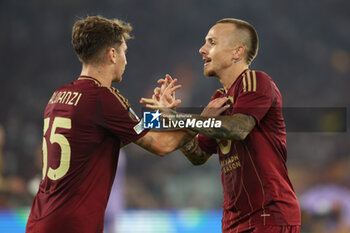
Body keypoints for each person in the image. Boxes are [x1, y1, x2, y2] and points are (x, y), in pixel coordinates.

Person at [26, 15, 194, 233]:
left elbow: (107, 138)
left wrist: (163, 115)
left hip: (40, 220)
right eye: (124, 51)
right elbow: (161, 145)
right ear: (112, 54)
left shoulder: (59, 95)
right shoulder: (103, 98)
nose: (126, 59)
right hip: (73, 225)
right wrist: (202, 120)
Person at [141, 18, 301, 233]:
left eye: (212, 42)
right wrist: (170, 119)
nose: (202, 49)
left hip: (267, 215)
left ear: (237, 52)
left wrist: (174, 117)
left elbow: (238, 129)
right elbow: (198, 154)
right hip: (234, 220)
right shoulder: (218, 99)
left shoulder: (255, 81)